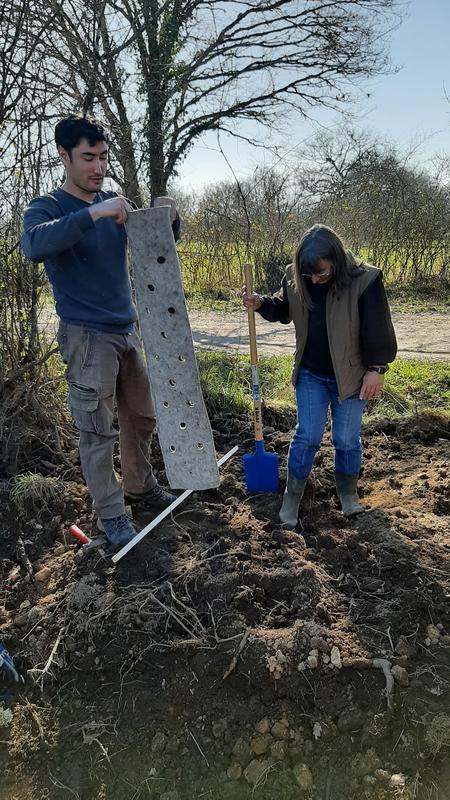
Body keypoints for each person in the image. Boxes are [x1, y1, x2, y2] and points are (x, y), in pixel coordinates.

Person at [22, 114, 181, 549]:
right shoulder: (49, 207)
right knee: (97, 431)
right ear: (64, 156)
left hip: (126, 331)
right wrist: (92, 214)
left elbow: (154, 247)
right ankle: (111, 515)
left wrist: (169, 220)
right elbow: (33, 245)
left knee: (141, 416)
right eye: (88, 157)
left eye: (103, 157)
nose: (98, 167)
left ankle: (140, 488)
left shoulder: (117, 202)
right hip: (87, 337)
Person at [242, 224, 397, 528]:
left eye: (321, 275)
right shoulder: (296, 275)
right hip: (311, 373)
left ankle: (348, 493)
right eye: (308, 275)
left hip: (352, 376)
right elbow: (283, 308)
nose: (314, 280)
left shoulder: (364, 280)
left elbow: (378, 328)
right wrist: (261, 303)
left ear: (337, 262)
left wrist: (376, 369)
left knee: (346, 439)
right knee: (308, 436)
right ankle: (292, 496)